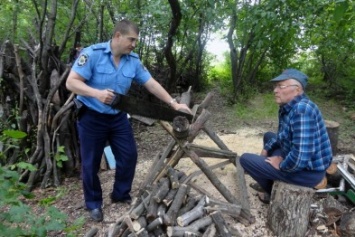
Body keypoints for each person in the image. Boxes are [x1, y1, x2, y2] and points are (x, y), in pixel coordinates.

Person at [66, 19, 191, 222]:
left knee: (129, 156)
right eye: (131, 39)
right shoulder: (93, 54)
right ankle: (94, 204)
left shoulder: (132, 60)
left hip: (118, 117)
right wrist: (96, 94)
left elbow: (151, 83)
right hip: (91, 117)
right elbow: (71, 82)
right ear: (117, 36)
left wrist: (173, 104)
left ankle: (120, 194)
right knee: (90, 164)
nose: (134, 44)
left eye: (135, 41)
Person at [240, 68, 333, 204]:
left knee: (245, 159)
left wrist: (282, 164)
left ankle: (273, 193)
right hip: (302, 162)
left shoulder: (302, 110)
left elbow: (301, 156)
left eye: (280, 86)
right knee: (268, 136)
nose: (275, 90)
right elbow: (283, 134)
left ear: (296, 90)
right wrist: (267, 148)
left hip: (307, 172)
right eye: (275, 86)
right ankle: (272, 176)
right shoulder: (289, 107)